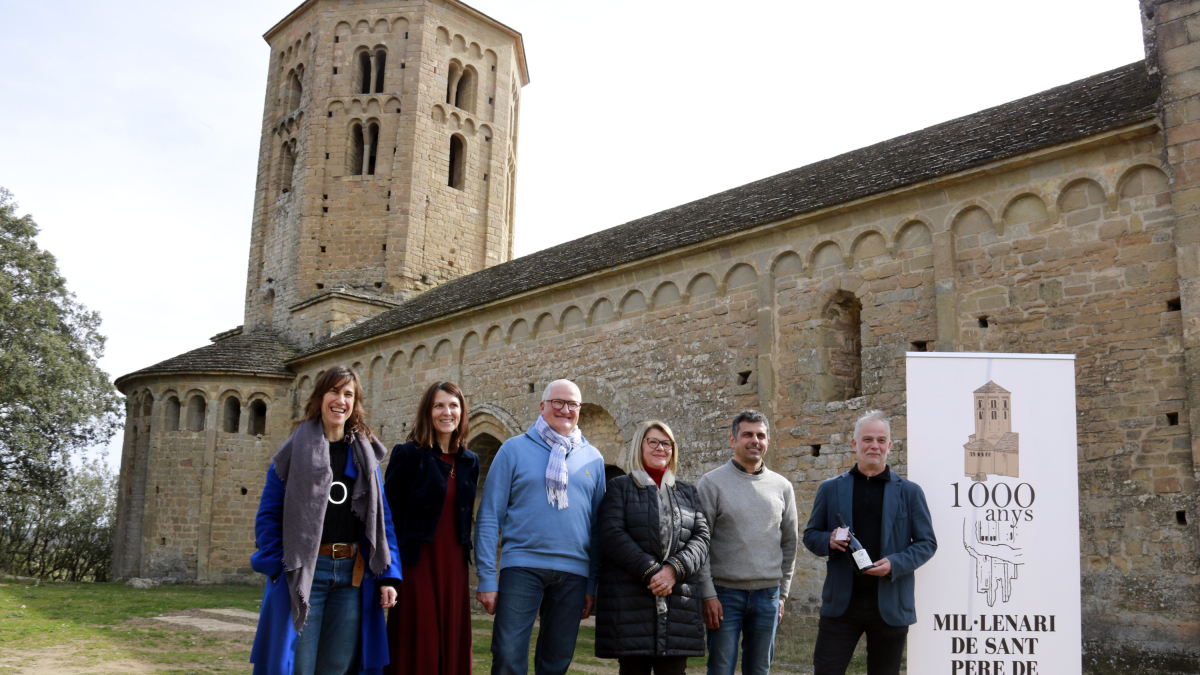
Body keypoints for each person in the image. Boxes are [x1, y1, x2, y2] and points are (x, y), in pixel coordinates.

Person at [250, 365, 403, 675]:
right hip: (306, 574)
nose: (340, 400)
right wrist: (278, 566)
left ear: (355, 403)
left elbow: (381, 520)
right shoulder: (292, 451)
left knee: (338, 667)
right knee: (299, 666)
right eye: (334, 391)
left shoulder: (364, 456)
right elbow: (268, 516)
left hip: (352, 576)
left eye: (349, 394)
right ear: (320, 397)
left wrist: (388, 575)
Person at [474, 379, 607, 675]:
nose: (565, 409)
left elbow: (598, 528)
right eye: (558, 402)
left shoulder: (593, 459)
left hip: (574, 574)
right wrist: (485, 577)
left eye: (572, 404)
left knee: (556, 663)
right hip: (521, 566)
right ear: (542, 405)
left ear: (579, 409)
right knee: (508, 656)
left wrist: (591, 583)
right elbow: (488, 516)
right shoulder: (513, 450)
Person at [802, 409, 937, 675]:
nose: (874, 445)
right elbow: (810, 535)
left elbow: (926, 543)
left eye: (880, 439)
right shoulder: (830, 488)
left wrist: (895, 564)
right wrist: (828, 540)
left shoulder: (910, 492)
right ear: (854, 444)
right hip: (842, 604)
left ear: (889, 445)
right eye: (867, 439)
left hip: (890, 603)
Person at [595, 420, 711, 675]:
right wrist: (652, 572)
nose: (661, 448)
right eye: (653, 442)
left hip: (679, 602)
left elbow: (701, 538)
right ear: (640, 446)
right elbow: (612, 535)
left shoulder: (688, 492)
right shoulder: (620, 488)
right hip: (631, 602)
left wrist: (673, 570)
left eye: (666, 443)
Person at [383, 381, 480, 675]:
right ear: (428, 411)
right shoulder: (408, 454)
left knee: (451, 639)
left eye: (453, 405)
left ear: (462, 412)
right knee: (419, 640)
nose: (446, 412)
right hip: (417, 564)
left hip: (454, 564)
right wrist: (389, 571)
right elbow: (388, 518)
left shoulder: (470, 461)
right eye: (439, 405)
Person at [696, 410, 799, 675]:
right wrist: (707, 594)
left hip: (768, 595)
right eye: (747, 434)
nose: (755, 440)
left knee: (759, 670)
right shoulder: (711, 483)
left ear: (768, 441)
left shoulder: (782, 487)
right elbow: (700, 545)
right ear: (733, 440)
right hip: (724, 595)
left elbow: (789, 543)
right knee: (720, 669)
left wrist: (782, 595)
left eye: (761, 435)